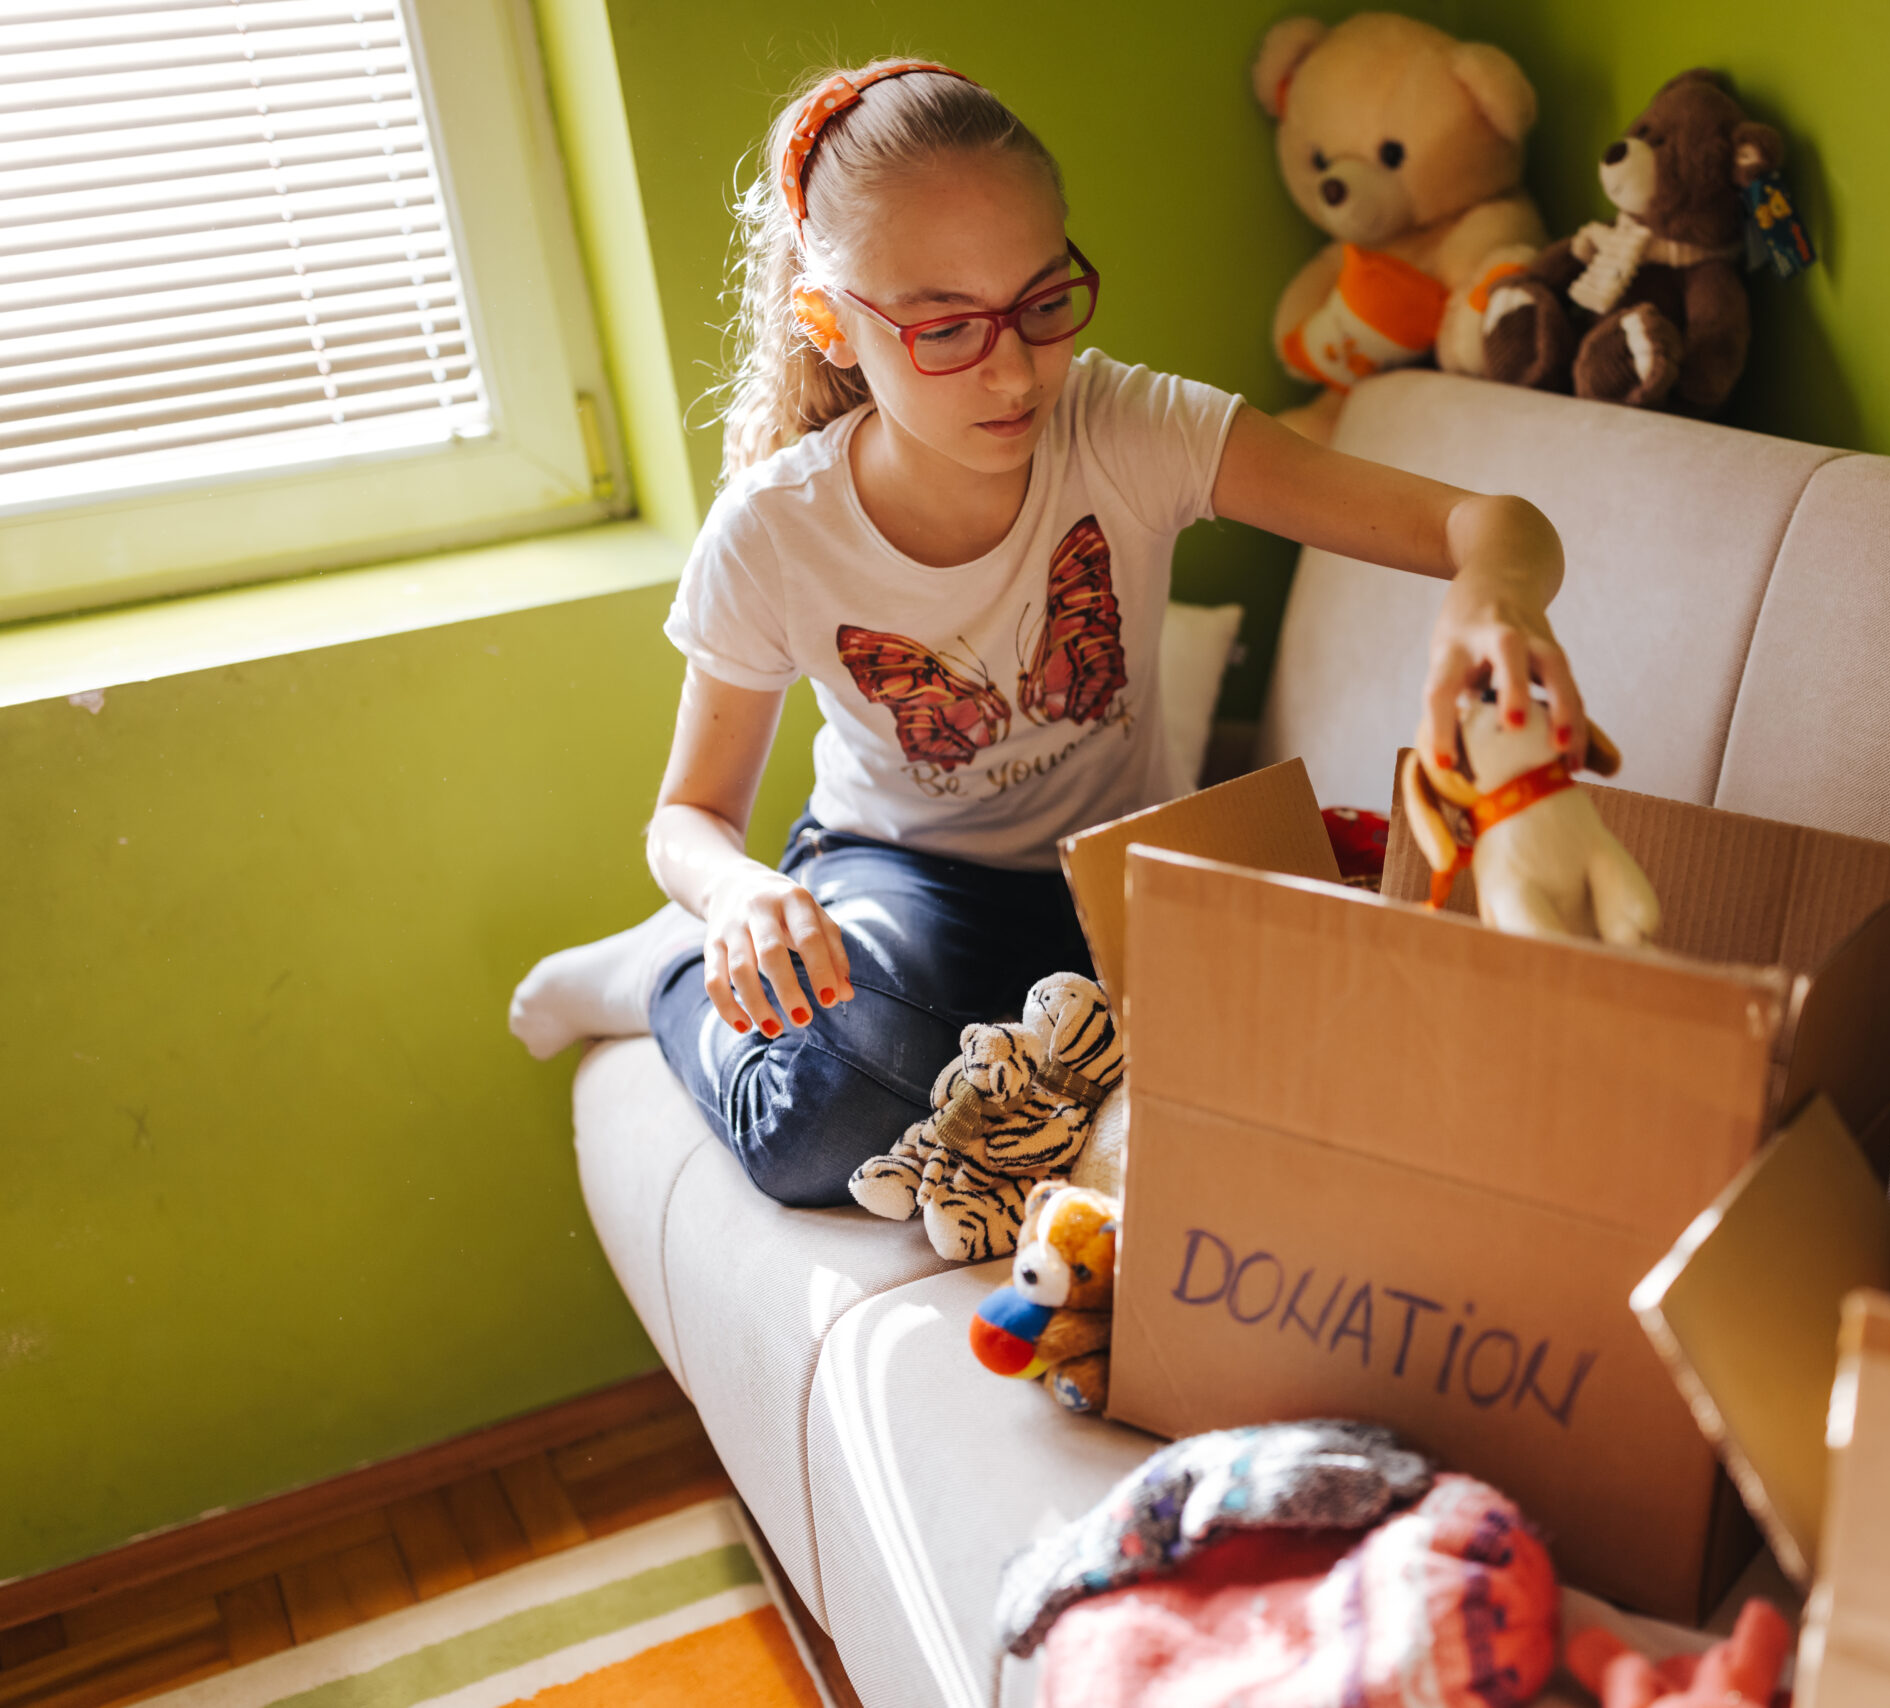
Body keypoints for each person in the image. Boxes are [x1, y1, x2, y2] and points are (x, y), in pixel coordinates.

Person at [509, 59, 1587, 1214]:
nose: (1016, 371)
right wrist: (725, 898)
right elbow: (690, 815)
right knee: (840, 1118)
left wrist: (1495, 595)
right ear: (829, 322)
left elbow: (1493, 523)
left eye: (1039, 303)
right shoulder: (776, 532)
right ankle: (655, 968)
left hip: (1121, 873)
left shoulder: (1131, 429)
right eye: (945, 328)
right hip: (907, 879)